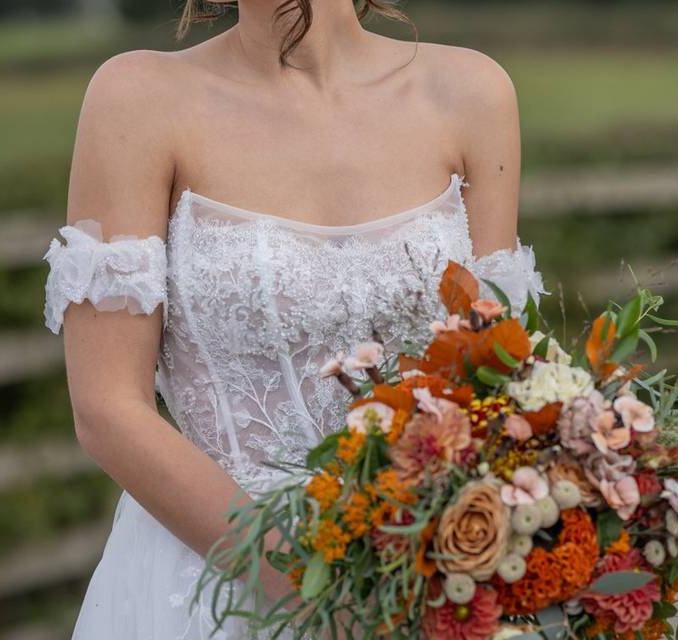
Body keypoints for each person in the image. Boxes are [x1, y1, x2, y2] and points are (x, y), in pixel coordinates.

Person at [41, 0, 547, 637]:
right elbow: (108, 410)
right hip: (216, 582)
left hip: (429, 575)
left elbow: (497, 374)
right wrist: (318, 591)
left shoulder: (473, 94)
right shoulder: (138, 101)